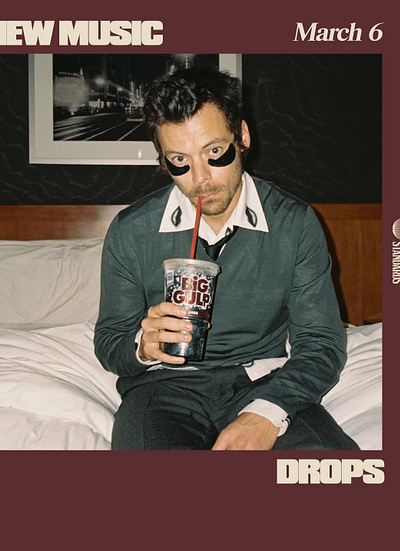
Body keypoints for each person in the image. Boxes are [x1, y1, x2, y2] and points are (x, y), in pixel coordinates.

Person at [94, 66, 359, 451]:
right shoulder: (131, 230)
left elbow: (320, 342)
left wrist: (267, 412)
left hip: (264, 381)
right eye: (179, 160)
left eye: (215, 152)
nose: (200, 177)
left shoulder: (294, 223)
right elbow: (109, 341)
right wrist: (142, 346)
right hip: (162, 388)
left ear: (243, 136)